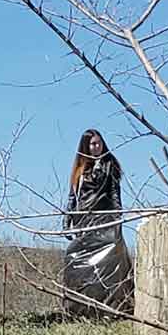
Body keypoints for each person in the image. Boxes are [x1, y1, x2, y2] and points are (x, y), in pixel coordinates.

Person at [62, 129, 132, 317]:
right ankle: (79, 309)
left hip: (105, 222)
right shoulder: (80, 168)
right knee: (77, 262)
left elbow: (115, 194)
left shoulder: (110, 165)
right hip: (84, 223)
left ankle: (113, 309)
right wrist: (67, 219)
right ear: (85, 146)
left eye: (98, 143)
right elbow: (73, 195)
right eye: (92, 144)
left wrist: (118, 219)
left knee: (110, 265)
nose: (96, 147)